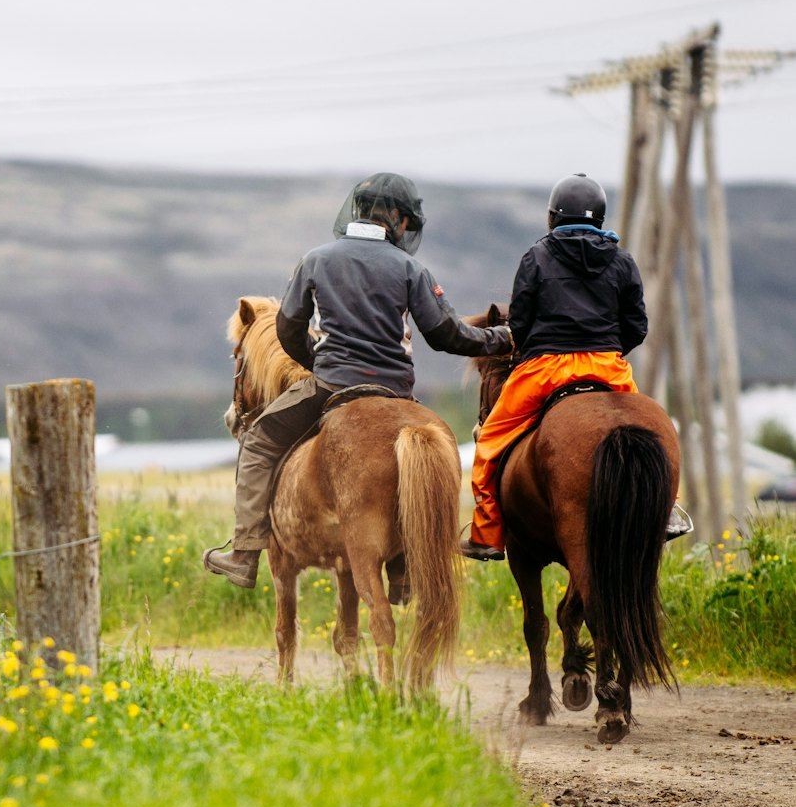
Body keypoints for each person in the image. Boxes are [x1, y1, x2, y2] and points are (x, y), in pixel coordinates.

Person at [204, 172, 514, 589]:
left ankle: (244, 554)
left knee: (259, 442)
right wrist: (501, 337)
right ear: (396, 220)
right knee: (431, 453)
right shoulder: (412, 268)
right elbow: (447, 335)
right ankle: (405, 566)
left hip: (331, 386)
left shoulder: (316, 259)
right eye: (407, 222)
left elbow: (288, 327)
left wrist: (315, 362)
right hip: (396, 390)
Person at [461, 171, 689, 562]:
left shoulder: (536, 255)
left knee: (489, 444)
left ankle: (487, 535)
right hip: (607, 368)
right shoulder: (622, 259)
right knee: (647, 432)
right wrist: (609, 351)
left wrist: (536, 350)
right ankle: (665, 510)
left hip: (544, 368)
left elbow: (521, 323)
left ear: (553, 217)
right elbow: (637, 326)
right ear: (599, 219)